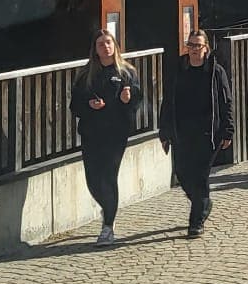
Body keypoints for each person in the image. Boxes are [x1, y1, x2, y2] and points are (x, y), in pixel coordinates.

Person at [158, 29, 234, 238]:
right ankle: (203, 204)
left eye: (197, 45)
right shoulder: (178, 71)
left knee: (200, 177)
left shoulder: (215, 72)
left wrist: (228, 130)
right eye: (190, 45)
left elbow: (226, 102)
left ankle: (196, 222)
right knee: (182, 173)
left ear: (205, 48)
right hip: (182, 132)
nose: (193, 49)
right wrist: (164, 132)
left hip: (208, 133)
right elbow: (168, 102)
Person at [71, 29, 141, 246]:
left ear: (115, 46)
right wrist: (89, 106)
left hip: (116, 133)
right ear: (95, 49)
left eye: (108, 42)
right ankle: (107, 207)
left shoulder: (126, 72)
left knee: (109, 177)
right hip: (92, 133)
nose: (105, 47)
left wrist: (127, 99)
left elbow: (138, 101)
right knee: (93, 179)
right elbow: (75, 106)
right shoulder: (86, 74)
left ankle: (108, 227)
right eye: (101, 44)